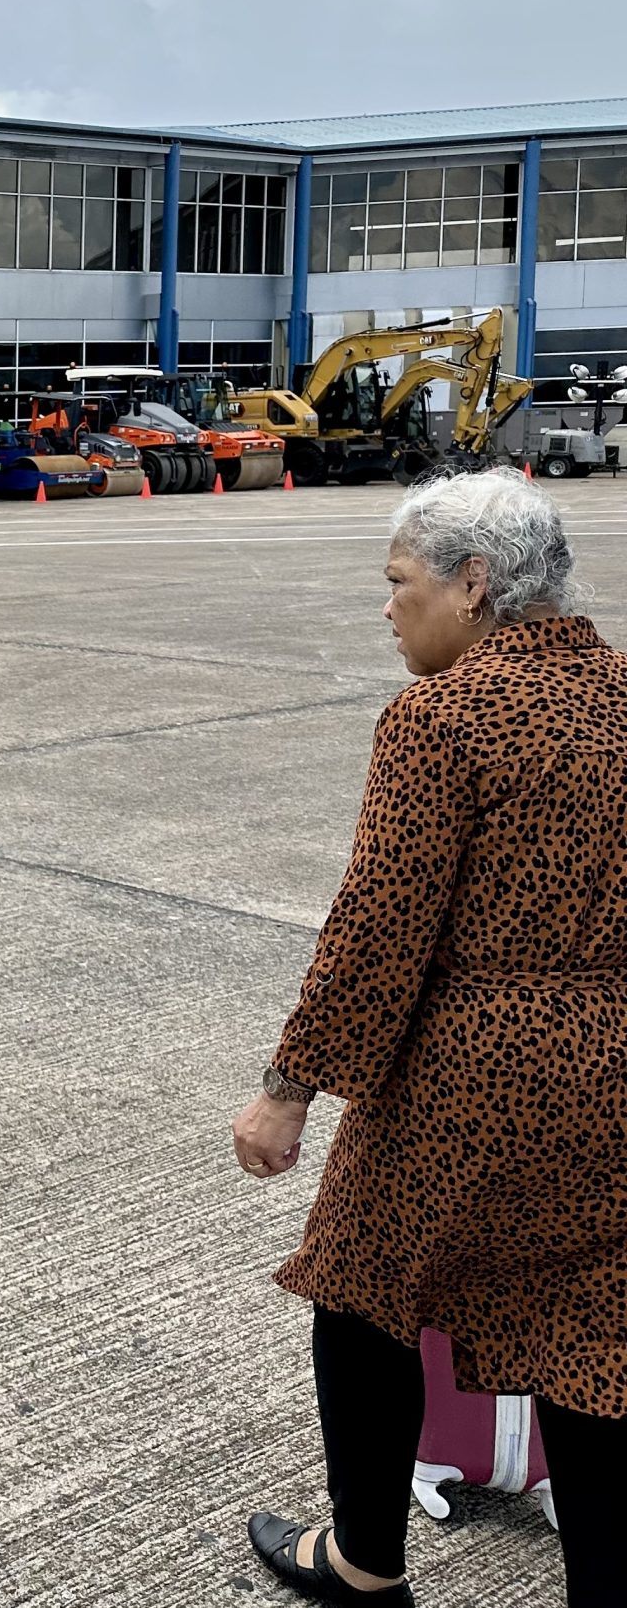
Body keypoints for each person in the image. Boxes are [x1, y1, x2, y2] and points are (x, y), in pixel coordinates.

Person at [233, 469, 627, 1608]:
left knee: (360, 1289)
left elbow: (376, 929)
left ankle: (363, 1560)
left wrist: (288, 1089)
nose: (387, 605)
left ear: (472, 583)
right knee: (592, 1341)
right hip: (611, 1072)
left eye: (398, 582)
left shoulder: (441, 717)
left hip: (470, 1072)